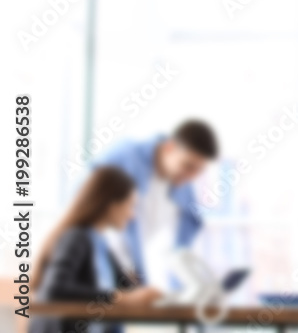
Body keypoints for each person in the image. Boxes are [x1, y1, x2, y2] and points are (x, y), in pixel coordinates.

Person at [31, 167, 162, 333]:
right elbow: (55, 289)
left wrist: (150, 295)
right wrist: (122, 298)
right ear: (111, 205)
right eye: (130, 205)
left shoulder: (100, 244)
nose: (132, 216)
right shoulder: (76, 238)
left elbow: (129, 288)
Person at [93, 120, 218, 288]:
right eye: (187, 166)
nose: (191, 176)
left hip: (139, 279)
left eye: (198, 171)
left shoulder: (182, 186)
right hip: (102, 271)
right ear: (169, 147)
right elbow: (87, 212)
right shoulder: (124, 158)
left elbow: (180, 242)